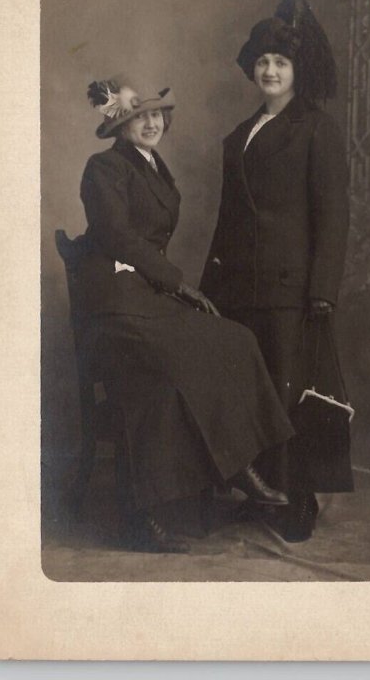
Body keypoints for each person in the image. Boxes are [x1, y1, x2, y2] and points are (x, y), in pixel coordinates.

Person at [76, 78, 295, 553]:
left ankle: (239, 464)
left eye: (155, 114)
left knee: (232, 339)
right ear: (120, 125)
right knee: (177, 363)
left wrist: (170, 287)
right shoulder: (104, 167)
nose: (151, 122)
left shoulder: (154, 166)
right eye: (138, 116)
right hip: (113, 301)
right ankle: (151, 515)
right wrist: (177, 282)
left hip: (148, 295)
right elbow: (117, 235)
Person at [201, 0, 353, 542]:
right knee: (253, 393)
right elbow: (226, 220)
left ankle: (299, 500)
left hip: (292, 289)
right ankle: (263, 492)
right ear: (252, 66)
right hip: (242, 287)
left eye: (281, 63)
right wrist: (208, 288)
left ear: (297, 71)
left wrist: (323, 290)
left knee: (292, 394)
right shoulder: (241, 134)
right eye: (263, 61)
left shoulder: (317, 128)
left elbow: (333, 215)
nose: (269, 70)